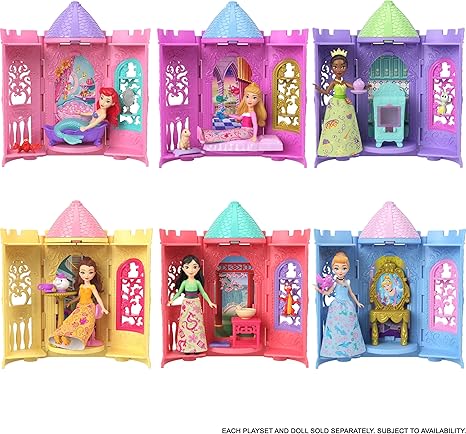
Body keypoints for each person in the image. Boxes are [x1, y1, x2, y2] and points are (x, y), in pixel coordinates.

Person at [49, 257, 108, 350]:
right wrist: (71, 302)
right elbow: (79, 297)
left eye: (90, 272)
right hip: (80, 307)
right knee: (72, 321)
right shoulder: (81, 286)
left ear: (94, 273)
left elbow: (98, 298)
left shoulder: (92, 287)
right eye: (83, 272)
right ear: (79, 273)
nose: (86, 275)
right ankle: (61, 335)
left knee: (86, 324)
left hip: (89, 308)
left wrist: (103, 308)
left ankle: (78, 339)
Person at [315, 251, 366, 358]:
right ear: (333, 269)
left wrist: (357, 302)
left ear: (348, 268)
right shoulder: (334, 282)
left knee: (349, 326)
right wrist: (318, 290)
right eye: (337, 268)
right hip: (336, 307)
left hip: (348, 306)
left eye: (344, 268)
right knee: (335, 327)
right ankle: (334, 350)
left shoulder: (347, 282)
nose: (340, 271)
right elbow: (328, 293)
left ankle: (351, 350)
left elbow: (351, 293)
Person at [314, 48, 363, 157]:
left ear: (346, 68)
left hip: (345, 104)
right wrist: (319, 89)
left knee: (346, 125)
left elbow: (355, 87)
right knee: (334, 126)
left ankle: (349, 148)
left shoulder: (344, 82)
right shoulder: (333, 82)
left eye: (343, 67)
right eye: (335, 67)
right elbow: (327, 92)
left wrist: (364, 86)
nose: (339, 69)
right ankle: (331, 149)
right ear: (332, 68)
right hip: (335, 105)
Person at [167, 255, 216, 353]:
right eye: (187, 267)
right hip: (186, 304)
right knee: (185, 324)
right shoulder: (184, 282)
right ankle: (185, 347)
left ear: (198, 268)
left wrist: (210, 302)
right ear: (183, 268)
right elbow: (179, 293)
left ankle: (198, 347)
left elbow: (203, 293)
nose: (191, 270)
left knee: (197, 324)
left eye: (194, 267)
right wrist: (172, 300)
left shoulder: (197, 282)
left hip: (196, 304)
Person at [197, 82, 267, 144]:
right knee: (228, 131)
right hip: (243, 130)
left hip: (248, 132)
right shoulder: (246, 112)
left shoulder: (253, 113)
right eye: (247, 96)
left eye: (254, 98)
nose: (250, 100)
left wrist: (254, 136)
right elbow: (239, 118)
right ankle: (205, 133)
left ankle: (207, 138)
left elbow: (255, 125)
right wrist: (228, 115)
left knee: (230, 134)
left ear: (258, 100)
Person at [53, 87, 121, 145]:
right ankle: (62, 134)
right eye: (102, 98)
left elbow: (95, 123)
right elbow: (92, 113)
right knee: (66, 122)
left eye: (107, 101)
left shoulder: (103, 115)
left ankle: (65, 136)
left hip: (90, 127)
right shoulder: (100, 110)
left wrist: (85, 128)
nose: (102, 102)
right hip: (87, 124)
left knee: (70, 123)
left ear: (113, 103)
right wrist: (81, 113)